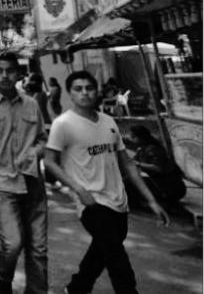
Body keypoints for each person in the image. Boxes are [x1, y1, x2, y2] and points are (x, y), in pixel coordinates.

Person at [43, 70, 169, 294]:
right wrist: (77, 189)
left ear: (97, 90)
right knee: (118, 261)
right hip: (91, 203)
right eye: (78, 89)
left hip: (118, 201)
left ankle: (77, 287)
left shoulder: (109, 122)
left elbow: (128, 164)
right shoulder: (63, 124)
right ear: (70, 94)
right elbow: (50, 161)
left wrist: (151, 200)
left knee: (102, 250)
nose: (85, 93)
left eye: (89, 88)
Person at [0, 51, 48, 294]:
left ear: (19, 73)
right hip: (1, 182)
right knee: (13, 243)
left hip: (32, 181)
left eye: (10, 70)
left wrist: (36, 152)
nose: (5, 75)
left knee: (38, 248)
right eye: (0, 70)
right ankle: (4, 284)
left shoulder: (31, 104)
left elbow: (43, 139)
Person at [127, 124, 186, 207]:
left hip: (172, 188)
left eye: (133, 137)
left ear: (141, 137)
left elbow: (158, 168)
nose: (131, 139)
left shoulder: (152, 149)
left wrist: (138, 164)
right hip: (161, 184)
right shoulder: (141, 149)